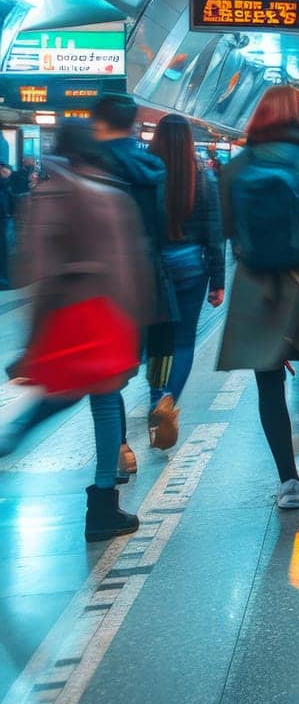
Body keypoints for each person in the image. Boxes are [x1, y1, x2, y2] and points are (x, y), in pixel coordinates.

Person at [5, 123, 153, 540]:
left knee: (64, 392)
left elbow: (33, 272)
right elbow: (129, 268)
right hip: (105, 316)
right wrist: (134, 324)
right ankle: (103, 504)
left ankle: (16, 434)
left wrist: (32, 340)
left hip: (64, 316)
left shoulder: (44, 194)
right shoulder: (110, 195)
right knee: (105, 402)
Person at [217, 86, 299, 510]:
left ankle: (288, 481)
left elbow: (229, 228)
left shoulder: (237, 166)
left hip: (257, 286)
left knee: (267, 383)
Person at [91, 92, 174, 480]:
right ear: (135, 123)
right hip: (148, 279)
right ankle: (160, 406)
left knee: (108, 377)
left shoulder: (91, 165)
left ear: (98, 122)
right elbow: (162, 227)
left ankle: (119, 453)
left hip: (106, 285)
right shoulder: (151, 166)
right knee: (148, 358)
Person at [144, 115, 225, 450]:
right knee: (184, 342)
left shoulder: (145, 175)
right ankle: (168, 401)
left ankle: (153, 401)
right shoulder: (202, 177)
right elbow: (214, 233)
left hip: (153, 267)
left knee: (157, 340)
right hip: (192, 264)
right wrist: (218, 281)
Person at [0, 161, 12, 291]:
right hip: (4, 217)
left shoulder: (6, 181)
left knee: (3, 249)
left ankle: (3, 279)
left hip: (3, 218)